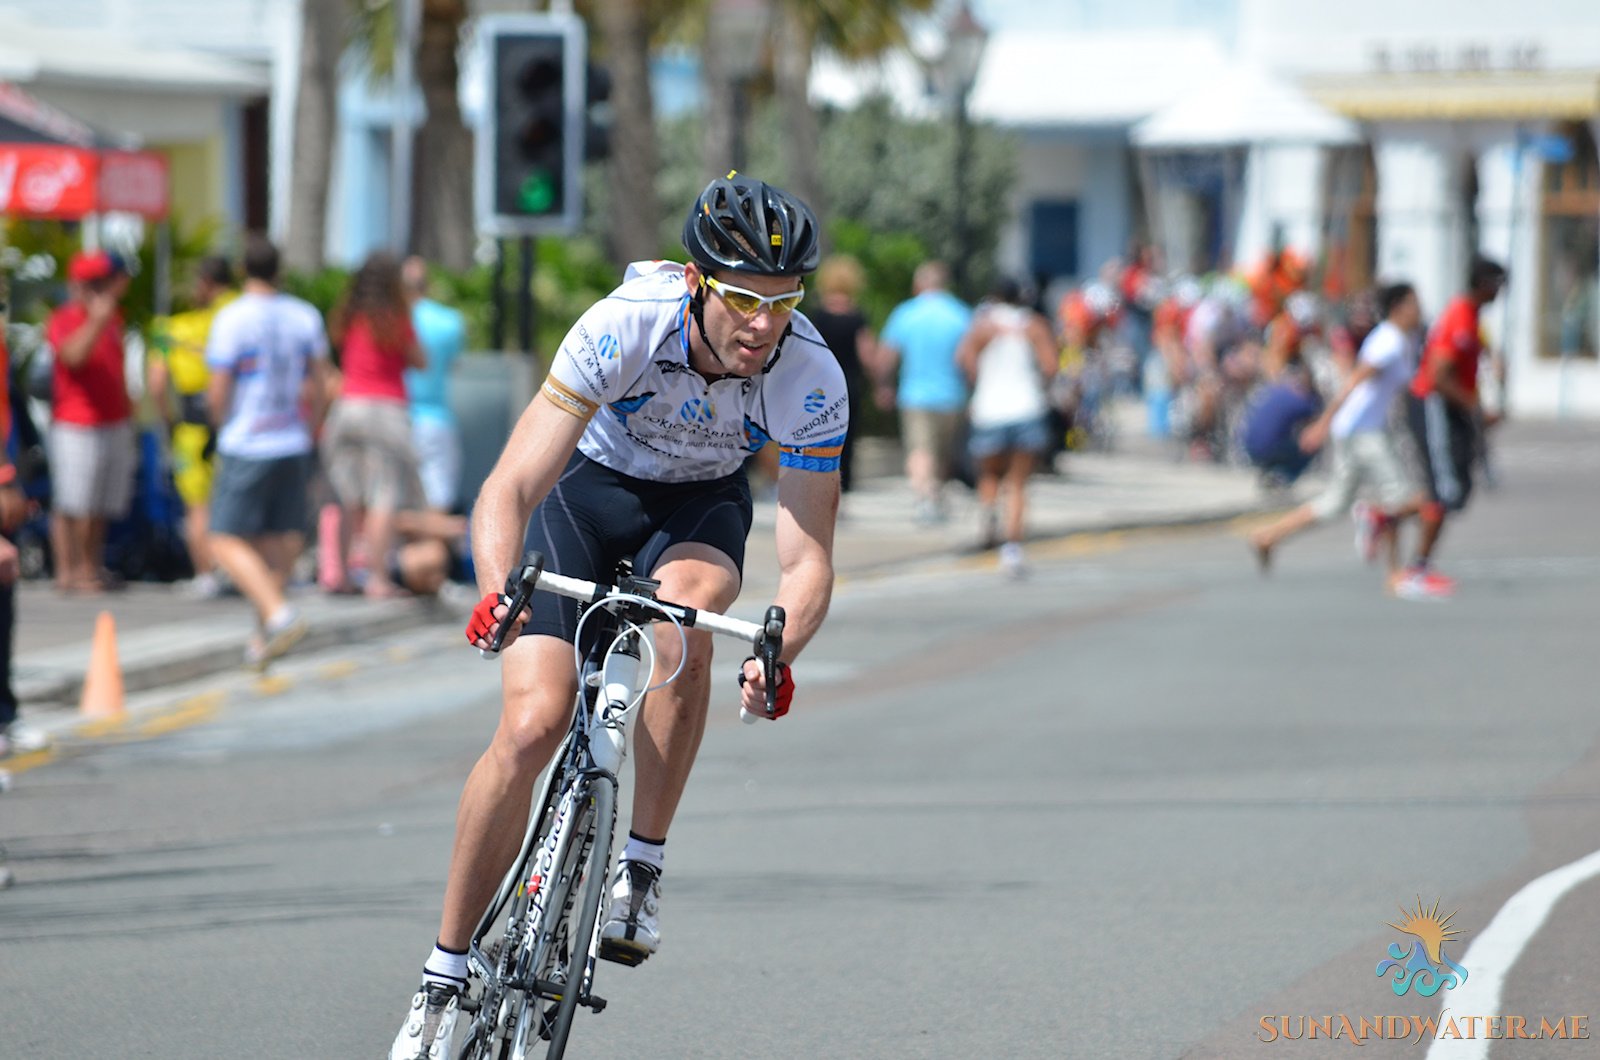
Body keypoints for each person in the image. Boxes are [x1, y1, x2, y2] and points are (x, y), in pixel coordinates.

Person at [389, 173, 847, 1060]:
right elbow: (512, 484)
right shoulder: (623, 324)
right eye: (745, 301)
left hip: (700, 509)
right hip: (587, 497)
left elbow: (808, 558)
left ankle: (641, 864)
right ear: (694, 282)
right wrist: (495, 589)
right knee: (532, 724)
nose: (764, 325)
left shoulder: (811, 374)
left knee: (689, 623)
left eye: (783, 303)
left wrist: (780, 644)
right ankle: (443, 972)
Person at [1249, 282, 1429, 593]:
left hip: (1359, 429)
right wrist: (1322, 423)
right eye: (1414, 304)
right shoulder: (1389, 342)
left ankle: (1268, 536)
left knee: (1334, 503)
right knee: (1406, 500)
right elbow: (1353, 383)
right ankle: (1383, 542)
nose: (1419, 310)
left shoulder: (1398, 339)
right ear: (1399, 308)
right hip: (1364, 431)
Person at [205, 237, 329, 669]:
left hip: (247, 438)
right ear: (280, 270)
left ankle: (278, 616)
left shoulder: (231, 317)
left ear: (244, 269)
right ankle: (262, 639)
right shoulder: (303, 315)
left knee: (222, 538)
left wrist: (217, 422)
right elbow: (321, 379)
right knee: (278, 544)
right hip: (290, 436)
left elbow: (220, 387)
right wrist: (312, 426)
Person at [322, 252, 428, 598]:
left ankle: (341, 577)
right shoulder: (396, 316)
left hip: (348, 407)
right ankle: (377, 578)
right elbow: (420, 360)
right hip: (386, 409)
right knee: (384, 495)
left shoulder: (348, 315)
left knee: (346, 497)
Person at [1401, 256, 1506, 595]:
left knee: (1458, 488)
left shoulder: (1471, 316)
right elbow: (1437, 375)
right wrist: (1473, 405)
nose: (1500, 293)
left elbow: (1477, 354)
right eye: (1498, 285)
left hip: (1450, 409)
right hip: (1434, 405)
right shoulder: (1459, 316)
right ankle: (1417, 570)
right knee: (1444, 490)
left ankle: (1384, 516)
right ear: (1484, 284)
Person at [45, 250, 135, 593]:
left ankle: (90, 567)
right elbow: (72, 357)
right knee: (73, 501)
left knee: (100, 504)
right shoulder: (65, 318)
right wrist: (95, 321)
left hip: (112, 420)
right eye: (94, 284)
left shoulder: (115, 319)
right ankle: (69, 571)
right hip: (76, 422)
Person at [147, 255, 237, 598]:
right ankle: (232, 569)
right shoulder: (238, 314)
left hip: (192, 424)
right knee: (230, 503)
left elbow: (156, 386)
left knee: (197, 506)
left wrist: (167, 421)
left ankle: (206, 574)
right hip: (234, 422)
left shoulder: (168, 329)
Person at [956, 277, 1057, 576]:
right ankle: (1012, 549)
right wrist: (1037, 383)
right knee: (1017, 482)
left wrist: (979, 384)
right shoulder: (1034, 325)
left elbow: (964, 361)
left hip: (989, 409)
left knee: (988, 474)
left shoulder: (983, 326)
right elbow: (1051, 365)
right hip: (1026, 407)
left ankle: (989, 517)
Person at [876, 261, 970, 523]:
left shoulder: (906, 313)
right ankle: (934, 493)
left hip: (915, 395)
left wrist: (883, 385)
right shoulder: (960, 314)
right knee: (942, 451)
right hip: (953, 394)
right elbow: (970, 358)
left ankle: (926, 497)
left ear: (919, 284)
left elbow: (886, 355)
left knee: (920, 449)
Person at [803, 253, 877, 494]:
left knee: (817, 433)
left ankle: (818, 481)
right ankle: (841, 487)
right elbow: (867, 354)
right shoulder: (857, 316)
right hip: (849, 383)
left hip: (819, 386)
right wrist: (878, 381)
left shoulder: (817, 315)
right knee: (847, 438)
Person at [402, 256, 466, 512]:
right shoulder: (450, 322)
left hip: (396, 417)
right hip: (435, 420)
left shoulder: (389, 322)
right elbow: (452, 364)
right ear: (427, 285)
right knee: (438, 503)